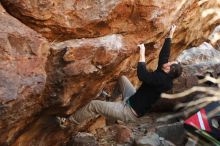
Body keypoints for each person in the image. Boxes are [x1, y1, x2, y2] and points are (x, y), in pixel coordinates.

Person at [57, 25, 182, 128]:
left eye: (171, 64)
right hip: (132, 99)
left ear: (169, 71)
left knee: (93, 105)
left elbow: (142, 75)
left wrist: (142, 53)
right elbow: (164, 56)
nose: (168, 62)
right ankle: (111, 105)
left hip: (128, 111)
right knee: (122, 79)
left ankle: (67, 122)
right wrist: (170, 35)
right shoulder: (165, 72)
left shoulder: (162, 80)